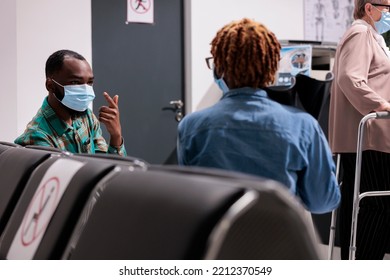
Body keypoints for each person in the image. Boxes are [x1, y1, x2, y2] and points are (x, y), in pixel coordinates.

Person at [177, 18, 340, 214]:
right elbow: (322, 201)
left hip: (217, 241)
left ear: (220, 68)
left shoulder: (191, 127)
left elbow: (191, 198)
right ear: (271, 69)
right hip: (279, 240)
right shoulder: (303, 127)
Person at [329, 0, 390, 259]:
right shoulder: (361, 32)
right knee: (376, 205)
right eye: (387, 7)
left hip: (369, 136)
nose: (388, 13)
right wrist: (383, 104)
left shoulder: (371, 35)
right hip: (370, 137)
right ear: (369, 8)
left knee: (367, 205)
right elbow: (350, 78)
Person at [15, 49, 127, 156]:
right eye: (75, 82)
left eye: (89, 82)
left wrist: (116, 135)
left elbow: (107, 167)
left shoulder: (86, 116)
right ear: (50, 85)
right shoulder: (37, 136)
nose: (85, 89)